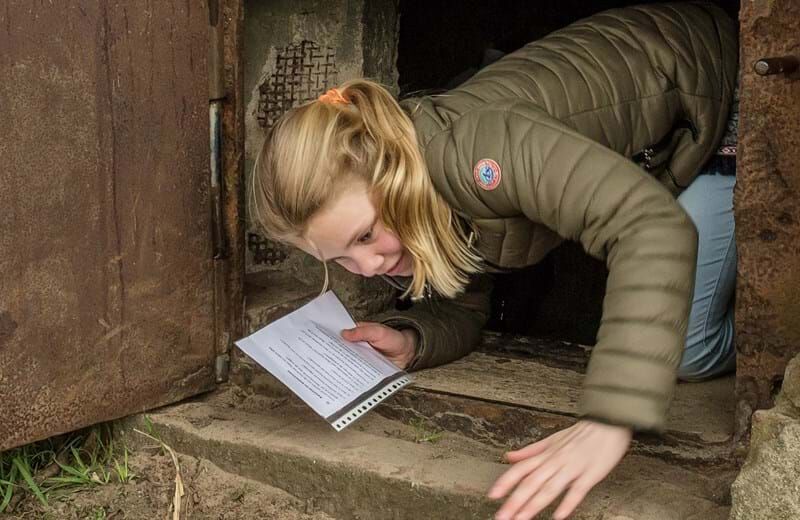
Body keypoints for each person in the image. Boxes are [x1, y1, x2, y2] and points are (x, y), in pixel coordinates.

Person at [250, 2, 738, 519]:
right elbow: (467, 295)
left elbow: (649, 226)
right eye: (341, 258)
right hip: (649, 148)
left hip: (712, 103)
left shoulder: (478, 155)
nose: (367, 266)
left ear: (393, 174)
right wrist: (413, 339)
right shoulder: (416, 189)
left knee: (689, 351)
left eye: (366, 235)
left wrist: (610, 417)